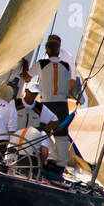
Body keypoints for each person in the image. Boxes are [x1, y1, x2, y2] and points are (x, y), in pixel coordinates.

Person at [35, 36, 76, 175]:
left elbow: (27, 77)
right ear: (59, 50)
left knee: (43, 130)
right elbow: (70, 79)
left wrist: (23, 65)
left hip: (47, 102)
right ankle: (60, 164)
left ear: (47, 50)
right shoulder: (66, 65)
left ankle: (46, 159)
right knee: (62, 133)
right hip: (61, 102)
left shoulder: (41, 63)